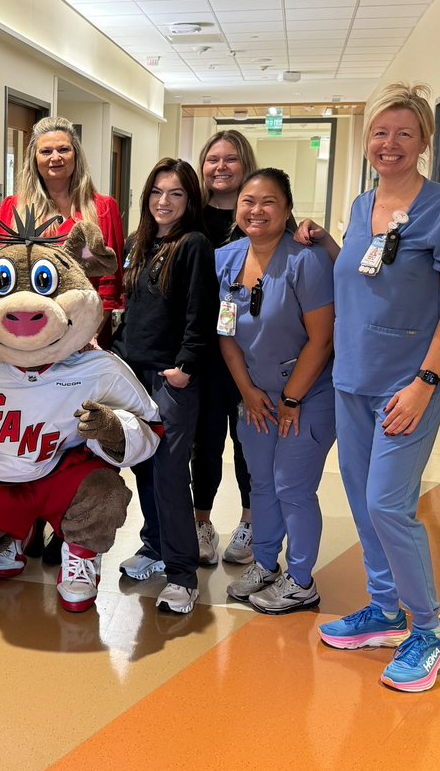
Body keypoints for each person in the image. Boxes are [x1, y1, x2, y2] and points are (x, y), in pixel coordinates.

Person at [298, 83, 440, 693]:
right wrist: (322, 240)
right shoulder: (360, 203)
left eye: (404, 133)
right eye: (381, 132)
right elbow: (365, 265)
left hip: (408, 384)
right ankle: (387, 609)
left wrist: (426, 383)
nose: (390, 143)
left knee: (387, 503)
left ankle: (430, 629)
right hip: (351, 377)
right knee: (359, 495)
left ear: (425, 141)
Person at [0, 116, 125, 563]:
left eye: (63, 150)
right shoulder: (13, 208)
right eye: (46, 150)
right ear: (34, 156)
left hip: (85, 343)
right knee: (32, 431)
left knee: (78, 432)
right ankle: (25, 525)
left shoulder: (101, 207)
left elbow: (111, 278)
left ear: (76, 154)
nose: (54, 158)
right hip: (27, 344)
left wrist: (92, 334)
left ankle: (71, 530)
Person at [214, 168, 335, 615]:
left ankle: (301, 580)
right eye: (248, 201)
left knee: (292, 487)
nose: (256, 210)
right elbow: (225, 333)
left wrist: (291, 400)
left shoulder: (307, 262)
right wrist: (246, 390)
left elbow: (322, 339)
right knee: (261, 483)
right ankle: (265, 563)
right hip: (257, 397)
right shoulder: (225, 259)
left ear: (286, 211)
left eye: (268, 202)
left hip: (308, 396)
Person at [113, 158, 217, 615]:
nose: (164, 202)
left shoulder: (194, 245)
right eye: (157, 192)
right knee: (144, 467)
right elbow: (132, 310)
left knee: (172, 474)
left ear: (189, 199)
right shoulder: (140, 243)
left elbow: (201, 312)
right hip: (134, 375)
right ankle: (154, 547)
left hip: (171, 379)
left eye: (175, 193)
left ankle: (182, 574)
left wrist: (186, 366)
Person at [191, 130, 258, 571]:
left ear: (245, 164)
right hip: (203, 350)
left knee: (249, 441)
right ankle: (202, 523)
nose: (220, 167)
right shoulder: (189, 216)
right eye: (212, 159)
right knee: (205, 441)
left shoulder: (259, 215)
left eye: (230, 159)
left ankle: (252, 523)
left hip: (252, 348)